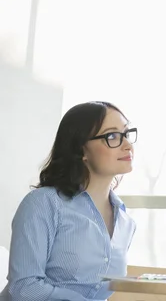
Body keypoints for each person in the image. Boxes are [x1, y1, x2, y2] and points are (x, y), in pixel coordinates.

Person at [3, 101, 137, 301]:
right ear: (81, 149)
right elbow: (24, 288)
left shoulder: (125, 220)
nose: (127, 145)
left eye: (126, 134)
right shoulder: (43, 204)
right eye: (112, 136)